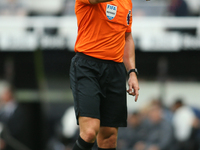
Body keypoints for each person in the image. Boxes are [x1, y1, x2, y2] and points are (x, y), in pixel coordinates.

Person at [69, 0, 140, 149]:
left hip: (115, 70)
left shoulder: (126, 2)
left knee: (109, 137)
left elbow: (127, 37)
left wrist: (132, 72)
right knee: (89, 133)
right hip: (87, 66)